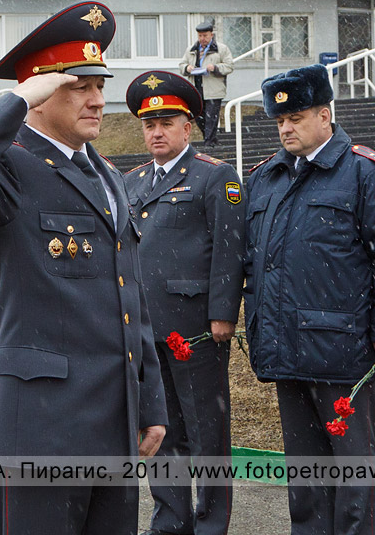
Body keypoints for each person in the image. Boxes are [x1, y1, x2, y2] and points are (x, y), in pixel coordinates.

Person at [0, 2, 167, 535]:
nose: (98, 100)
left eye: (99, 85)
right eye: (78, 86)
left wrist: (149, 402)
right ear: (39, 93)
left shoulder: (106, 175)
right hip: (37, 429)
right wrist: (15, 98)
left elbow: (130, 297)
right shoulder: (7, 166)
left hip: (111, 424)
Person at [242, 65, 375, 535]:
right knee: (305, 470)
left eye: (295, 117)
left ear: (324, 114)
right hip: (285, 345)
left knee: (352, 465)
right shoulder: (266, 177)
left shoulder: (364, 173)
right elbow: (255, 265)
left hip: (344, 346)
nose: (285, 128)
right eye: (279, 121)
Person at [123, 71, 244, 535]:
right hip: (146, 330)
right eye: (149, 124)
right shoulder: (131, 182)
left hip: (193, 328)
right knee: (160, 428)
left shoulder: (214, 177)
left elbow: (229, 250)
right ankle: (171, 519)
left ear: (187, 127)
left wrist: (222, 314)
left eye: (167, 122)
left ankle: (211, 522)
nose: (156, 132)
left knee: (207, 433)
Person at [179, 20, 234, 147]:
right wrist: (187, 68)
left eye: (205, 35)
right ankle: (211, 140)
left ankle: (209, 143)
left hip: (213, 89)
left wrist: (215, 67)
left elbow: (229, 66)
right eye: (200, 36)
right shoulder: (191, 50)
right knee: (198, 117)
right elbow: (181, 65)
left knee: (211, 117)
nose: (202, 39)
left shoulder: (221, 49)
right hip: (196, 88)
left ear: (211, 35)